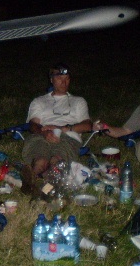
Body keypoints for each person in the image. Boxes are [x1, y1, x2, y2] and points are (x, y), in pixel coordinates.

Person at [21, 63, 92, 191]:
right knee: (40, 161)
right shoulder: (39, 101)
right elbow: (32, 125)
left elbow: (87, 125)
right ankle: (32, 184)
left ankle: (48, 189)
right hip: (42, 135)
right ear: (51, 79)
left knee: (57, 161)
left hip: (67, 137)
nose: (64, 82)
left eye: (67, 79)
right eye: (60, 78)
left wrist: (65, 128)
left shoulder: (78, 101)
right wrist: (45, 133)